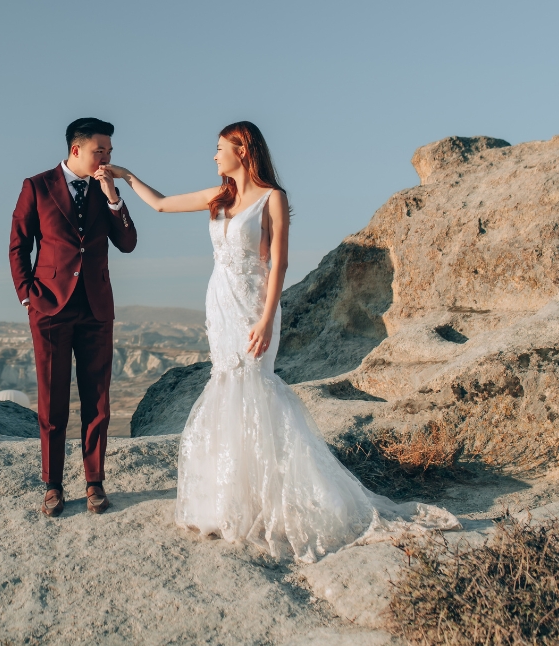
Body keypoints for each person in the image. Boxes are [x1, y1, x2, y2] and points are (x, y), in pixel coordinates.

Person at [102, 121, 457, 561]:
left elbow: (280, 266)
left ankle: (272, 499)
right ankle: (230, 500)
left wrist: (268, 320)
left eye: (219, 149)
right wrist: (125, 176)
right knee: (226, 385)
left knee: (255, 387)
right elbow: (159, 205)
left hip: (254, 306)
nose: (214, 157)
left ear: (243, 150)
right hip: (221, 304)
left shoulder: (273, 198)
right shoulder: (220, 197)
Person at [9, 118, 138, 517]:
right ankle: (53, 484)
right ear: (76, 150)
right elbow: (18, 245)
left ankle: (94, 482)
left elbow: (128, 243)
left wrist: (113, 194)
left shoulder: (105, 189)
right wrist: (27, 296)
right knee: (53, 401)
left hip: (97, 308)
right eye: (101, 152)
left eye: (111, 152)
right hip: (49, 308)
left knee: (97, 399)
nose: (108, 159)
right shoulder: (37, 186)